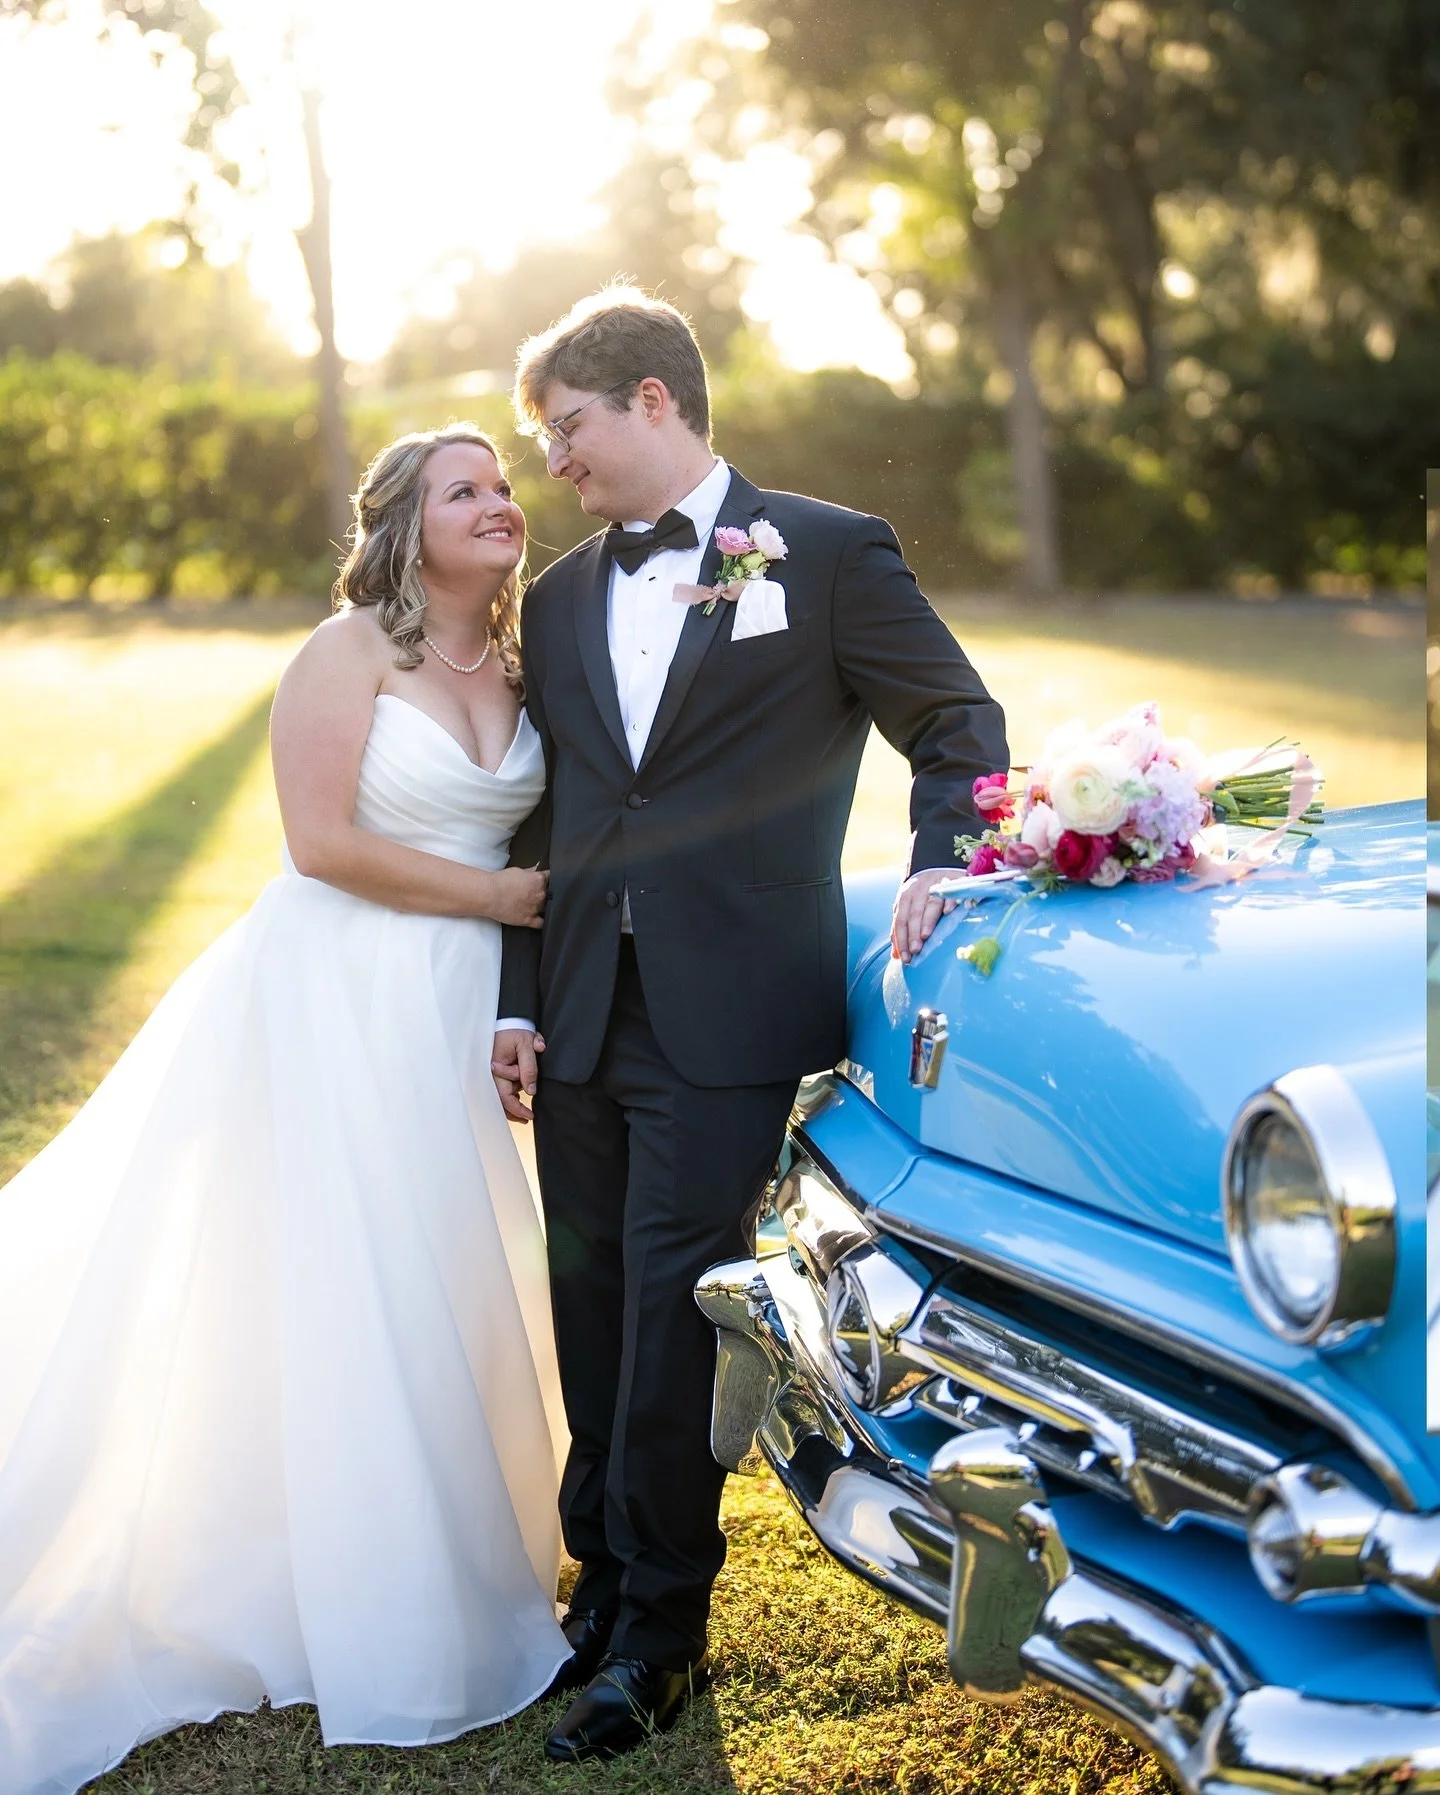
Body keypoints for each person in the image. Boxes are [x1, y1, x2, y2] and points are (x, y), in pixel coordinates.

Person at [0, 425, 569, 1795]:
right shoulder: (346, 654)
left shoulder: (520, 657)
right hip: (338, 990)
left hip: (456, 1004)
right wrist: (499, 897)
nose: (498, 504)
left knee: (439, 1264)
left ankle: (454, 1548)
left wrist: (513, 964)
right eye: (463, 489)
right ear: (402, 523)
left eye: (502, 485)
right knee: (346, 1273)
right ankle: (361, 1595)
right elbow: (321, 842)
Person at [491, 287, 1008, 1763]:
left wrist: (943, 860)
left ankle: (662, 1630)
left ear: (654, 398)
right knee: (589, 1304)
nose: (557, 463)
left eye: (569, 427)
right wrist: (518, 1004)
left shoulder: (830, 552)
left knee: (666, 1310)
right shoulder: (563, 596)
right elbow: (555, 808)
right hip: (581, 1002)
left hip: (726, 1015)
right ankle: (599, 1589)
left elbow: (956, 726)